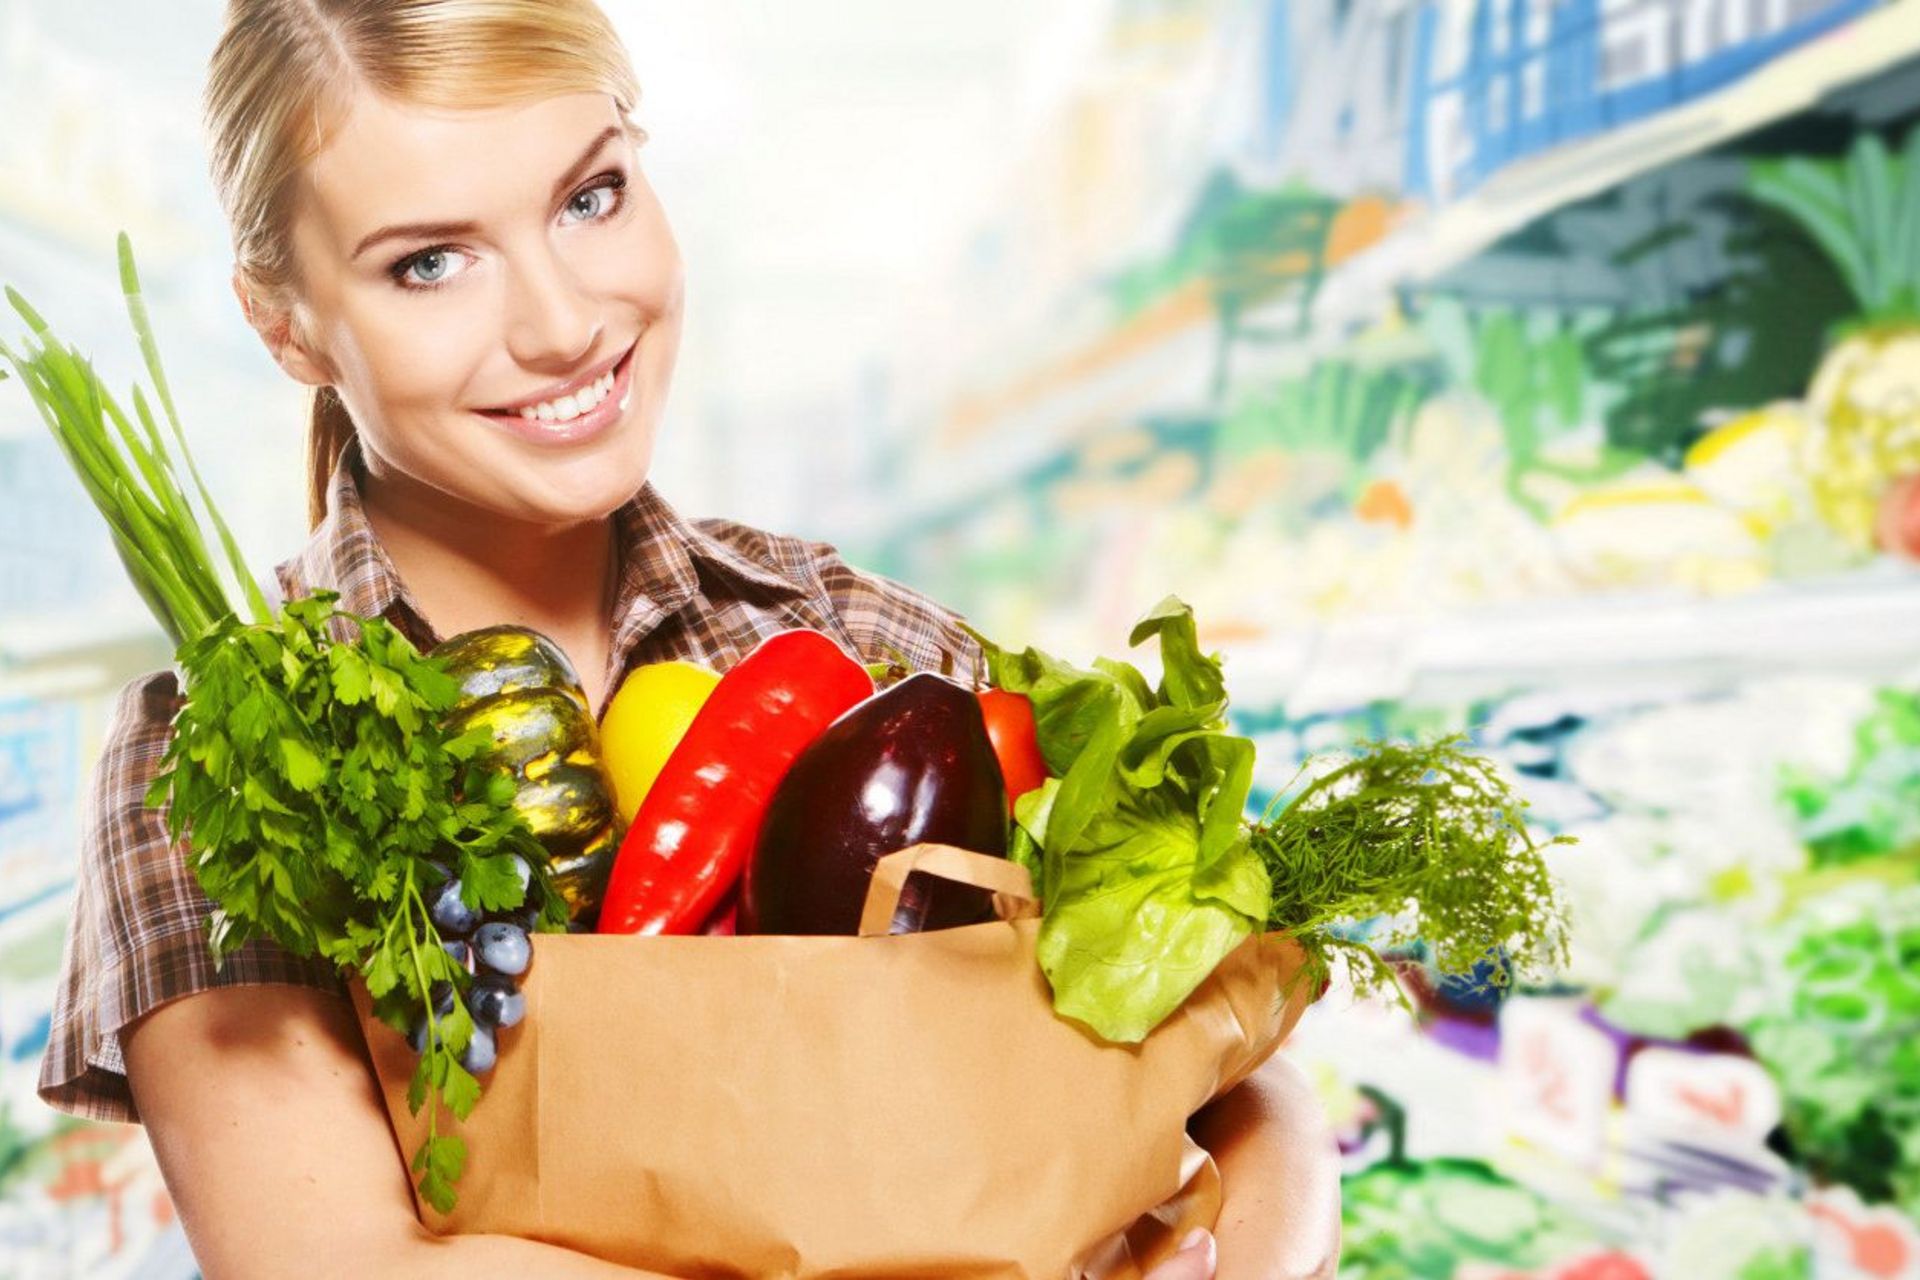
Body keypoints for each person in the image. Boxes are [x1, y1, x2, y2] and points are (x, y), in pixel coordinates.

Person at [36, 1, 1340, 1275]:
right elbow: (330, 1259)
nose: (560, 324)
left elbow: (1248, 1088)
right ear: (283, 320)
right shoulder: (219, 763)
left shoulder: (871, 647)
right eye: (428, 261)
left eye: (588, 196)